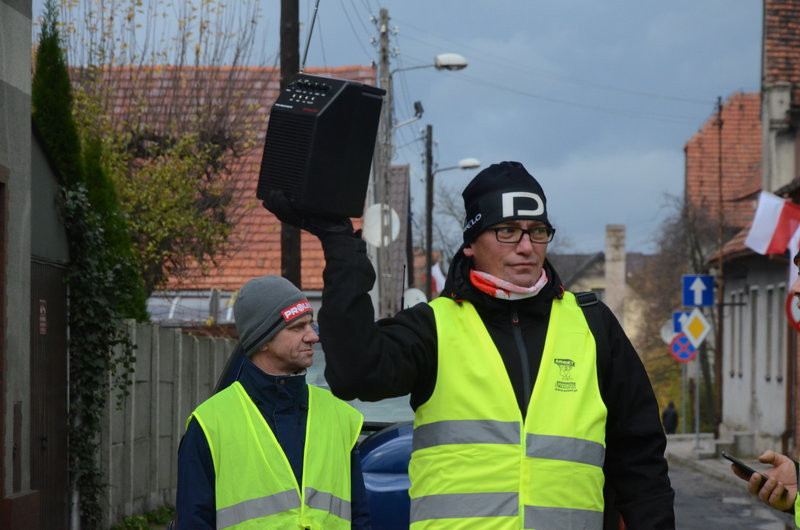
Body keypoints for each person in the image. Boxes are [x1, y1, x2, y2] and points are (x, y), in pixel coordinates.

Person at [265, 160, 675, 529]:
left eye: (537, 231)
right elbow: (354, 372)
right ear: (471, 242)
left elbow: (640, 458)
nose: (526, 247)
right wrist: (340, 244)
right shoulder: (434, 326)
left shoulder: (592, 324)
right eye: (507, 231)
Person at [175, 275, 370, 529]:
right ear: (263, 340)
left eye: (310, 324)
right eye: (297, 327)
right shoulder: (209, 424)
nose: (313, 336)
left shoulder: (341, 416)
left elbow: (359, 518)